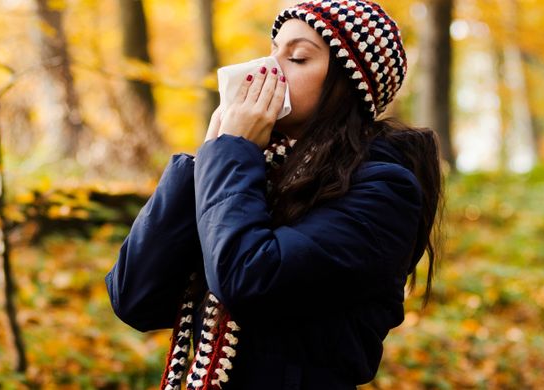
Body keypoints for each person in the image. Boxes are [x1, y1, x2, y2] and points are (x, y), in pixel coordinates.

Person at [104, 0, 444, 388]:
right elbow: (134, 298)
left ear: (349, 87)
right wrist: (206, 159)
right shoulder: (253, 171)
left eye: (297, 58)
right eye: (272, 52)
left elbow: (248, 278)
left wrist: (231, 153)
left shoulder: (384, 191)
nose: (267, 70)